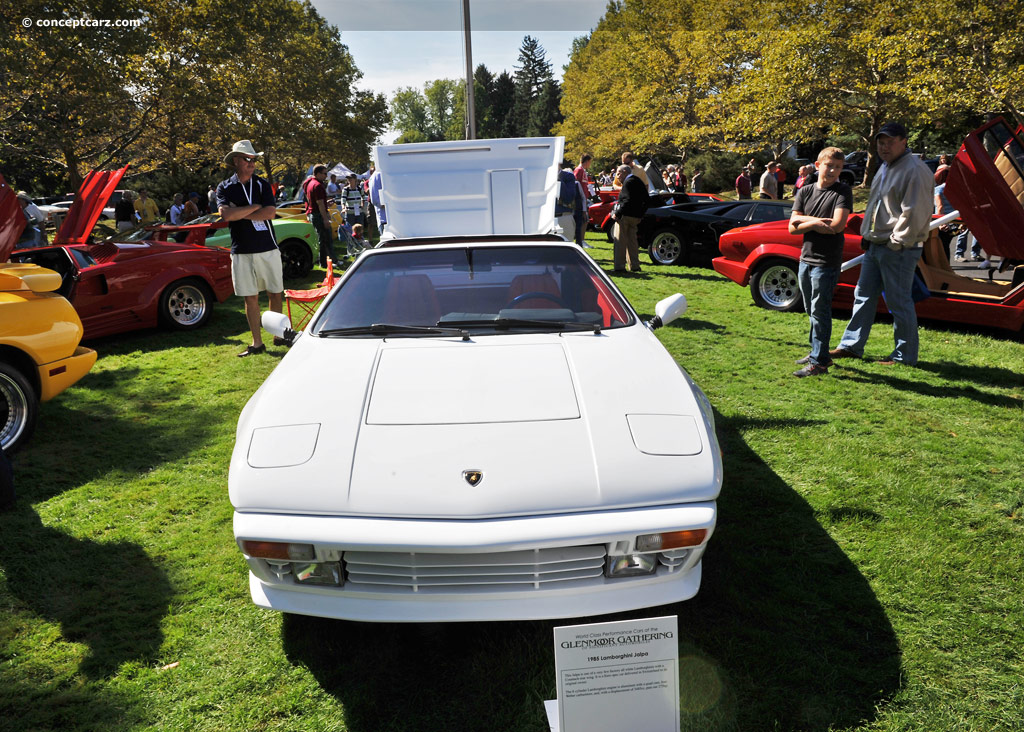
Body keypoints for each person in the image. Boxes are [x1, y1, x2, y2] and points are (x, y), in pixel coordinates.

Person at [830, 122, 934, 366]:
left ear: (904, 141)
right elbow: (878, 205)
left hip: (897, 248)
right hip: (876, 245)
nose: (884, 147)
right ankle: (851, 346)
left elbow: (915, 212)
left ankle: (904, 357)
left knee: (899, 302)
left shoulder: (915, 170)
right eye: (881, 142)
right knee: (863, 296)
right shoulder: (886, 167)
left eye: (890, 142)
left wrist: (897, 243)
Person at [787, 147, 853, 377]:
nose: (833, 170)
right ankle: (819, 351)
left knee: (820, 310)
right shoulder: (805, 191)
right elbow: (791, 227)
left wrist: (802, 221)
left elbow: (837, 226)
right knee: (810, 309)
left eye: (838, 167)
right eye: (829, 165)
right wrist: (815, 223)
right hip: (805, 259)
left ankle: (819, 363)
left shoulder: (842, 191)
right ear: (818, 165)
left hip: (826, 262)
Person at [217, 139, 284, 358]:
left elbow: (270, 213)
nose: (252, 163)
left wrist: (242, 212)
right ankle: (257, 342)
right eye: (247, 159)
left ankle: (277, 333)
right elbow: (226, 215)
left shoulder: (262, 184)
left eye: (254, 159)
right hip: (242, 250)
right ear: (236, 160)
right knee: (250, 296)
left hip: (267, 247)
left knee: (275, 291)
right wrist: (255, 207)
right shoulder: (225, 187)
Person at [611, 163, 648, 273]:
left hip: (624, 217)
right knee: (632, 242)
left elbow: (626, 201)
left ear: (624, 172)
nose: (617, 177)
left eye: (618, 174)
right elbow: (646, 199)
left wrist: (617, 213)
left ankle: (619, 267)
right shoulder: (638, 181)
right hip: (635, 217)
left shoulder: (628, 183)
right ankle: (634, 265)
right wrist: (641, 214)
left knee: (620, 242)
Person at [301, 164, 336, 269]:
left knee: (322, 239)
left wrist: (326, 203)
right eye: (325, 173)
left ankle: (327, 261)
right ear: (317, 173)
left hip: (312, 213)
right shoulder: (318, 185)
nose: (326, 176)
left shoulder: (308, 183)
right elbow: (320, 203)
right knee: (325, 239)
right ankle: (325, 263)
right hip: (318, 215)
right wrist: (325, 219)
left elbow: (313, 201)